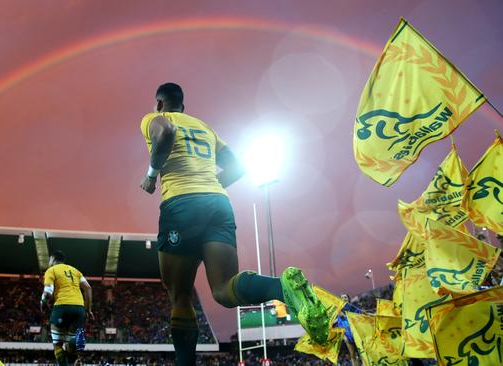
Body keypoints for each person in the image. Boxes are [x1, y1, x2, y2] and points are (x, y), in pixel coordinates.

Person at [139, 82, 328, 365]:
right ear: (184, 106)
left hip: (180, 204)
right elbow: (238, 168)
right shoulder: (205, 128)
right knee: (224, 289)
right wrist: (211, 187)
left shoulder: (154, 119)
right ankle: (282, 289)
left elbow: (164, 132)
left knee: (179, 295)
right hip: (218, 203)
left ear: (159, 104)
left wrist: (152, 175)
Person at [41, 251, 94, 366]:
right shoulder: (75, 270)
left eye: (49, 260)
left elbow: (48, 292)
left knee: (58, 344)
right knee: (71, 342)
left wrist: (43, 303)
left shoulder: (51, 270)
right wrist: (88, 309)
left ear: (53, 259)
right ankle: (73, 351)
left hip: (62, 307)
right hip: (79, 309)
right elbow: (88, 289)